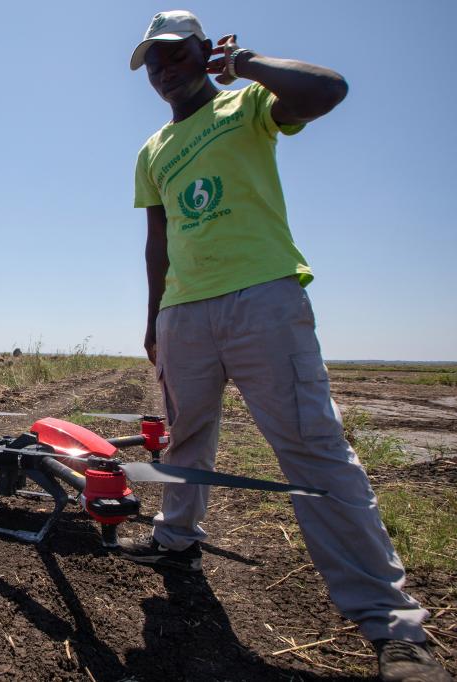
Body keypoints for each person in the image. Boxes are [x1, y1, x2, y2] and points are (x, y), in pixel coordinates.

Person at [124, 11, 451, 681]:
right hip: (185, 314)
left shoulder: (248, 103)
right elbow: (156, 241)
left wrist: (243, 64)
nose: (162, 69)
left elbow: (327, 89)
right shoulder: (152, 148)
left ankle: (392, 627)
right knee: (184, 439)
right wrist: (155, 317)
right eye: (151, 62)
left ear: (200, 50)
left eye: (172, 54)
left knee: (310, 448)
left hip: (261, 299)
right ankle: (174, 540)